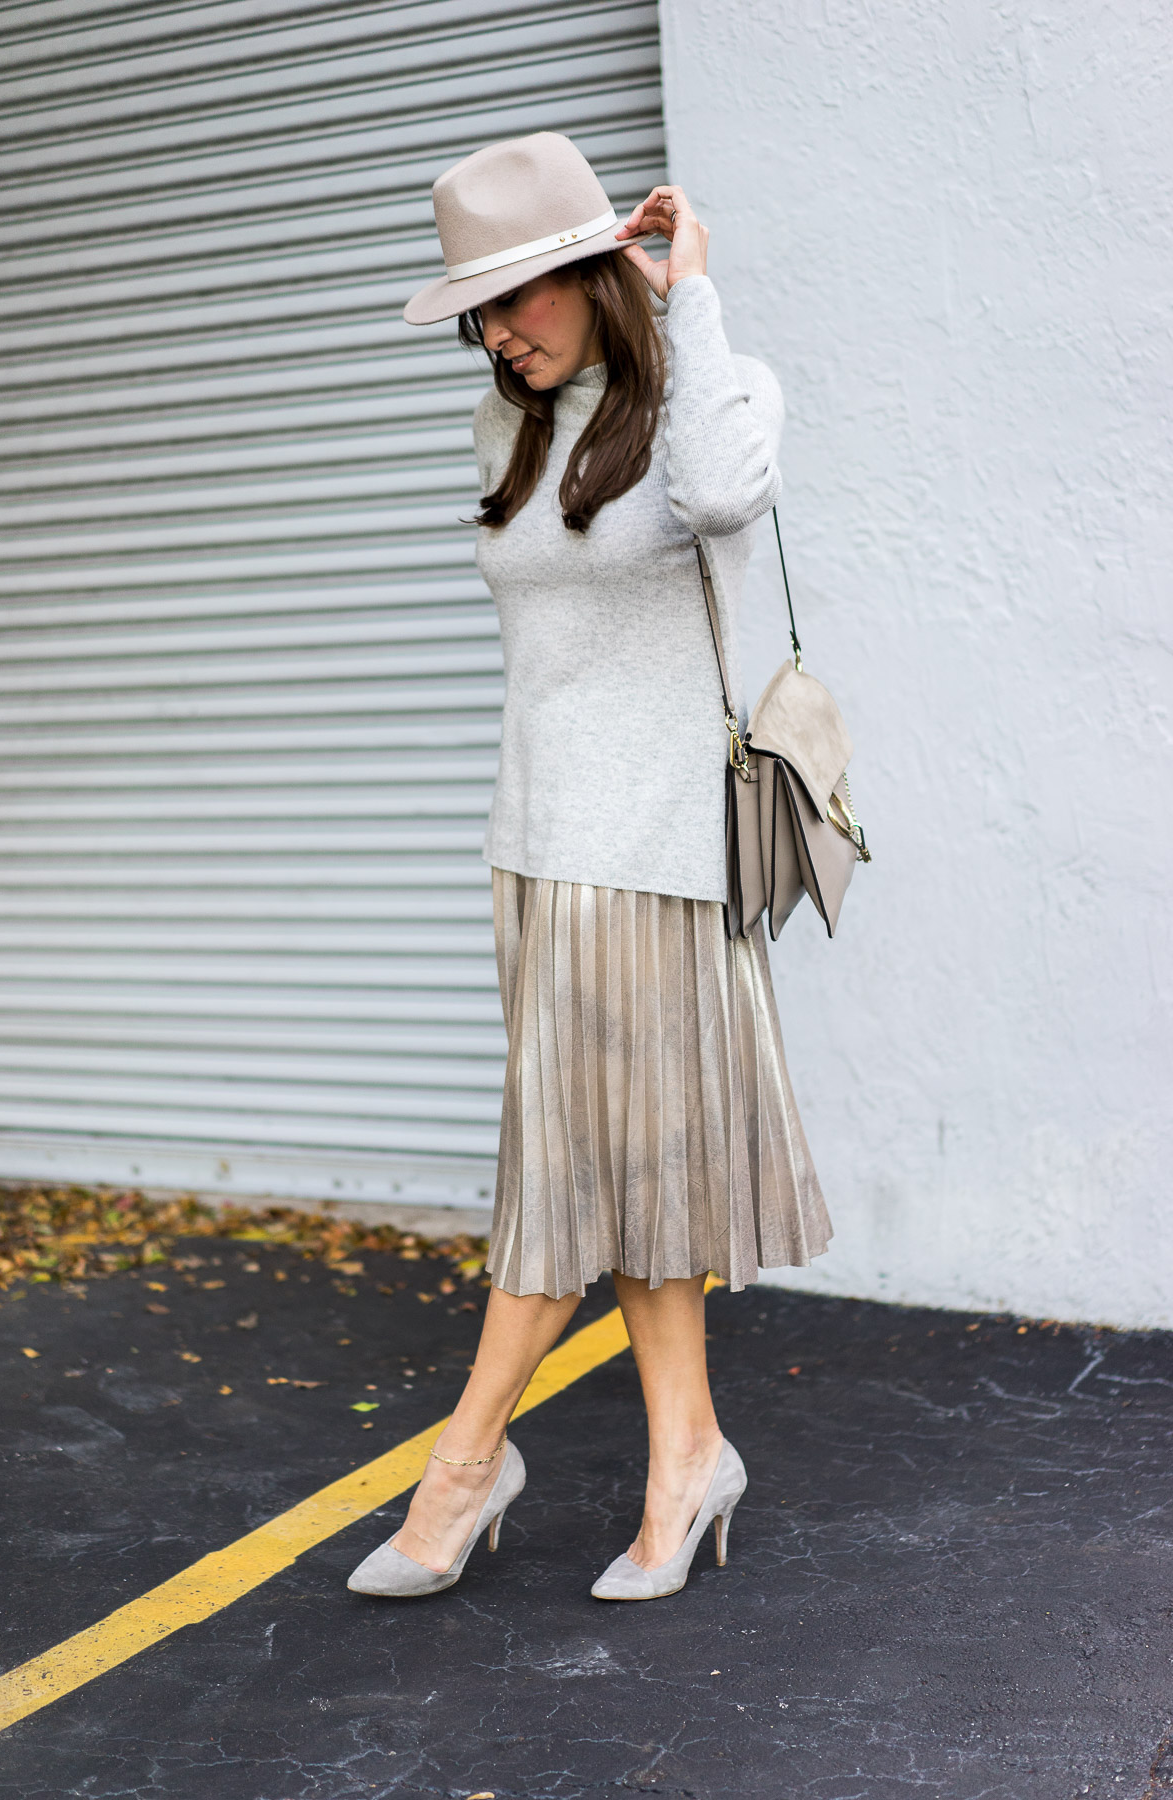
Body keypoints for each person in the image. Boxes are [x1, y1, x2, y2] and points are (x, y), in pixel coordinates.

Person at [347, 132, 831, 1603]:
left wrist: (690, 293)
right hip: (536, 849)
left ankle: (466, 1462)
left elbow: (731, 499)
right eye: (480, 312)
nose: (501, 334)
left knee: (563, 1181)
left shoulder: (713, 395)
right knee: (628, 1177)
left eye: (522, 297)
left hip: (659, 856)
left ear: (592, 269)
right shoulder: (511, 425)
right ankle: (688, 1455)